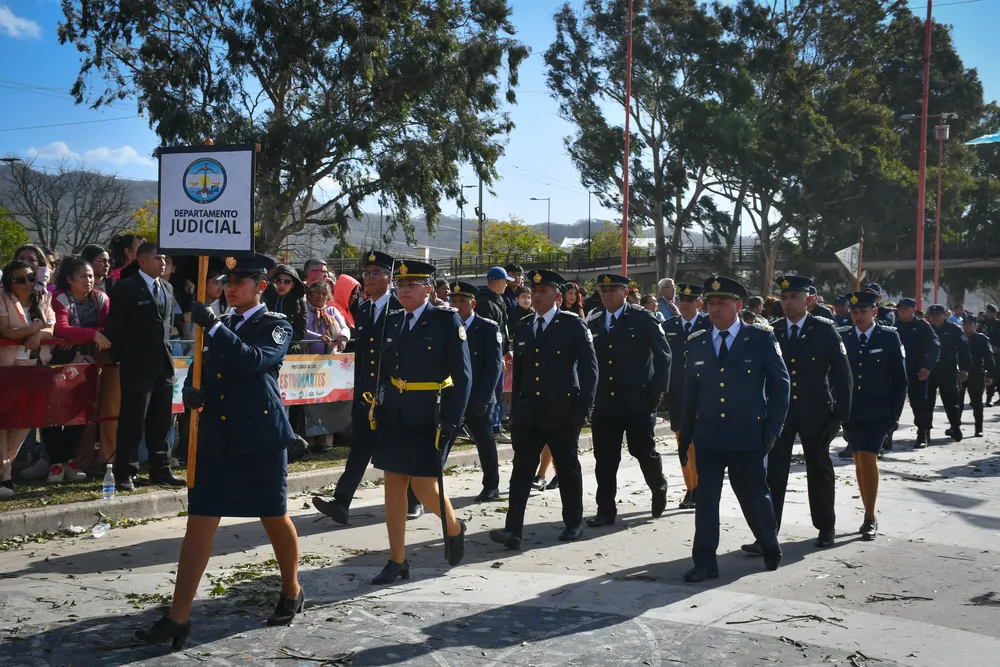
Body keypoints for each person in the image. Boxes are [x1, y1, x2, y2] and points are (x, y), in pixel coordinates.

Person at [136, 254, 303, 650]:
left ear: (261, 286)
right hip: (216, 437)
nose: (231, 288)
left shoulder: (276, 325)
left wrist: (212, 325)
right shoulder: (217, 325)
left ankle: (292, 590)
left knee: (273, 516)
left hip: (259, 438)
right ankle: (178, 616)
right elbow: (202, 370)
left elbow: (252, 361)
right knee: (199, 521)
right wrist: (194, 393)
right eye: (228, 281)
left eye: (240, 282)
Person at [678, 275, 789, 582]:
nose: (714, 308)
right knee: (706, 501)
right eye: (710, 303)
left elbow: (781, 387)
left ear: (738, 306)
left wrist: (772, 429)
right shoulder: (698, 341)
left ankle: (769, 544)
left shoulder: (760, 338)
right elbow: (691, 393)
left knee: (754, 497)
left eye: (722, 302)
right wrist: (685, 436)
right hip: (709, 436)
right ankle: (704, 562)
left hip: (747, 435)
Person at [369, 259, 472, 584]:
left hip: (430, 413)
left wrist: (452, 420)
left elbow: (463, 376)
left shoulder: (445, 320)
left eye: (411, 285)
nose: (404, 290)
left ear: (428, 289)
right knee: (393, 484)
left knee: (424, 486)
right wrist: (377, 402)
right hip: (395, 412)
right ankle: (397, 559)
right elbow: (384, 367)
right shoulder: (393, 320)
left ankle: (453, 528)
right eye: (400, 285)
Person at [489, 269, 598, 550]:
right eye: (534, 291)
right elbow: (521, 372)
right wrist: (515, 411)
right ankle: (513, 530)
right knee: (521, 470)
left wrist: (583, 409)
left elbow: (590, 370)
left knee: (567, 467)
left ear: (557, 296)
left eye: (543, 291)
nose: (536, 296)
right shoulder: (524, 326)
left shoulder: (572, 325)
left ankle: (573, 522)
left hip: (562, 410)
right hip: (529, 412)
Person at [312, 251, 423, 523]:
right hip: (368, 395)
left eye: (376, 273)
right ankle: (341, 502)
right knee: (360, 448)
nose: (369, 278)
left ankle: (414, 500)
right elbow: (362, 355)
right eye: (366, 273)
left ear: (389, 278)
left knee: (399, 449)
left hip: (395, 393)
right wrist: (359, 391)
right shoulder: (362, 310)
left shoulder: (401, 307)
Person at [743, 276, 851, 555]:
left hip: (816, 410)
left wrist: (839, 417)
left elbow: (843, 374)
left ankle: (825, 527)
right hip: (780, 413)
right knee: (774, 473)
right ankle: (768, 533)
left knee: (819, 469)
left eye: (794, 297)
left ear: (809, 301)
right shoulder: (773, 330)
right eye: (784, 297)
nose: (788, 302)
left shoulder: (824, 330)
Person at [585, 273, 671, 527]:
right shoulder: (595, 320)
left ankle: (658, 485)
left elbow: (663, 355)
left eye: (612, 290)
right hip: (605, 401)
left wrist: (656, 393)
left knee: (642, 450)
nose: (607, 295)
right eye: (603, 291)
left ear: (625, 292)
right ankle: (605, 509)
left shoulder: (642, 318)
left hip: (637, 399)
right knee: (605, 457)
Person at [104, 243, 185, 490]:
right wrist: (118, 357)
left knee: (161, 419)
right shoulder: (126, 288)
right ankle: (125, 471)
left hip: (163, 363)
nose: (163, 263)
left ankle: (161, 468)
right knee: (133, 419)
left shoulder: (167, 287)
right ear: (142, 261)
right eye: (157, 258)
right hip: (136, 364)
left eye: (165, 259)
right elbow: (115, 326)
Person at [838, 291, 907, 541]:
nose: (858, 316)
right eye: (854, 312)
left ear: (874, 312)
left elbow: (900, 380)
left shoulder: (888, 337)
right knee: (858, 460)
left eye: (863, 311)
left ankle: (870, 516)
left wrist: (895, 415)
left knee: (868, 458)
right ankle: (867, 509)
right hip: (851, 411)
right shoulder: (843, 337)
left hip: (878, 412)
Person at [46, 256, 113, 483]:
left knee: (81, 414)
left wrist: (79, 336)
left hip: (89, 363)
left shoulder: (101, 298)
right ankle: (56, 464)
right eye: (83, 276)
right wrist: (91, 334)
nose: (88, 280)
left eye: (91, 276)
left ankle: (70, 462)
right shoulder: (59, 297)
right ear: (69, 279)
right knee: (53, 413)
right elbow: (61, 327)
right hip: (59, 363)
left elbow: (107, 327)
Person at [0, 260, 55, 500]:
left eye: (31, 278)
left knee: (25, 421)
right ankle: (5, 476)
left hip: (34, 366)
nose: (27, 283)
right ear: (9, 282)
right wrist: (33, 329)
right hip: (7, 366)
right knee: (3, 422)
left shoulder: (43, 298)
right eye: (20, 279)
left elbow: (51, 328)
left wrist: (38, 334)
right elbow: (6, 331)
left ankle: (4, 468)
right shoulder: (3, 298)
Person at [449, 281, 503, 501]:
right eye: (454, 300)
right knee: (443, 441)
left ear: (473, 303)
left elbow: (494, 367)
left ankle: (491, 485)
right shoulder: (448, 325)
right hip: (454, 396)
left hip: (479, 396)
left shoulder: (487, 327)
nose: (457, 305)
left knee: (484, 441)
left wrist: (484, 398)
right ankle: (429, 487)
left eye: (462, 301)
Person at [661, 283, 710, 509]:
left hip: (703, 393)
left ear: (698, 303)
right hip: (678, 393)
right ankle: (690, 488)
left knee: (699, 443)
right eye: (681, 300)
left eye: (689, 301)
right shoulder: (668, 325)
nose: (684, 304)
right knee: (683, 443)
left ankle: (701, 488)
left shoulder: (708, 324)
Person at [894, 298, 940, 449]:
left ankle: (922, 434)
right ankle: (887, 436)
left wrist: (927, 367)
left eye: (905, 309)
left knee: (919, 405)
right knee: (892, 405)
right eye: (900, 308)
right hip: (897, 372)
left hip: (917, 372)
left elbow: (934, 347)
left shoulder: (923, 327)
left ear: (913, 310)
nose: (902, 311)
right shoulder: (894, 327)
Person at [476, 267, 513, 443]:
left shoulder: (498, 299)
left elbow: (503, 330)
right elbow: (490, 335)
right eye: (505, 281)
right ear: (498, 281)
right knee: (491, 393)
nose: (506, 285)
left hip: (499, 354)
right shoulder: (484, 302)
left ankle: (495, 426)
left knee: (497, 394)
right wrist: (498, 356)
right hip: (489, 356)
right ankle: (491, 427)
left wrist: (505, 351)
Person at [926, 304, 971, 442]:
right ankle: (925, 431)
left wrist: (964, 369)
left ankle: (955, 428)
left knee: (952, 402)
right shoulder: (925, 329)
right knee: (926, 403)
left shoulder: (954, 329)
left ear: (944, 315)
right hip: (928, 371)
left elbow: (964, 350)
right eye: (932, 316)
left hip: (948, 371)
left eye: (937, 315)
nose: (934, 318)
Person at [960, 315, 995, 437]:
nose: (966, 326)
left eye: (969, 324)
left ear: (976, 325)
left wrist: (990, 375)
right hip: (960, 373)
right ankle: (955, 426)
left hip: (976, 373)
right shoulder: (959, 338)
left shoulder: (982, 339)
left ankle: (978, 428)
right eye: (964, 323)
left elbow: (989, 358)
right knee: (957, 401)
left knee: (977, 402)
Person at [263, 264, 308, 341]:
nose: (282, 285)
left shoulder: (299, 302)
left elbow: (301, 331)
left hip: (289, 344)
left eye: (287, 282)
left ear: (292, 285)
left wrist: (279, 338)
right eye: (278, 280)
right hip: (263, 342)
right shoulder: (263, 298)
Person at [303, 281, 350, 354]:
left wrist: (343, 337)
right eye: (317, 293)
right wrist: (318, 337)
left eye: (324, 294)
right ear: (309, 295)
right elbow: (300, 331)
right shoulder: (303, 311)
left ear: (327, 297)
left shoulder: (332, 311)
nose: (320, 296)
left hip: (332, 357)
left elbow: (345, 328)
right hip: (305, 357)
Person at [981, 304, 1000, 406]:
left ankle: (990, 398)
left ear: (995, 313)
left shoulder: (998, 324)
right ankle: (983, 397)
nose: (989, 314)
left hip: (996, 354)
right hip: (984, 353)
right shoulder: (982, 323)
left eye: (991, 312)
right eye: (987, 312)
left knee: (995, 376)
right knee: (985, 375)